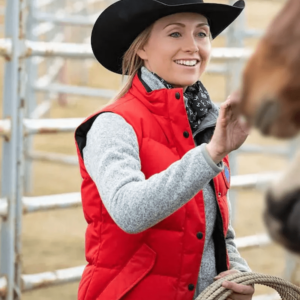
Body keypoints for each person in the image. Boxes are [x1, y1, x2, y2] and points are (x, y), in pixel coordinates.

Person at [74, 0, 255, 299]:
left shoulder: (207, 120)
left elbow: (216, 227)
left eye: (201, 34)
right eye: (175, 34)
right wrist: (212, 154)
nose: (193, 47)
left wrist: (237, 270)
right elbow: (130, 211)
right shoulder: (112, 125)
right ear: (142, 47)